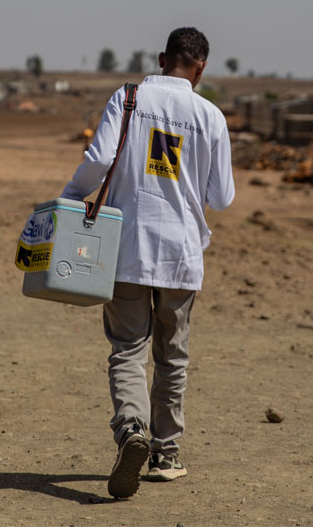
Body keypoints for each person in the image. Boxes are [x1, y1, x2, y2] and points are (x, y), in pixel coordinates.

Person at [61, 27, 235, 499]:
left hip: (128, 249)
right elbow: (221, 197)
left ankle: (131, 429)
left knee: (127, 348)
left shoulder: (130, 98)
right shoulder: (211, 116)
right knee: (171, 355)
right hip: (182, 254)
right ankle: (166, 453)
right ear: (201, 69)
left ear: (162, 58)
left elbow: (98, 160)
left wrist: (69, 201)